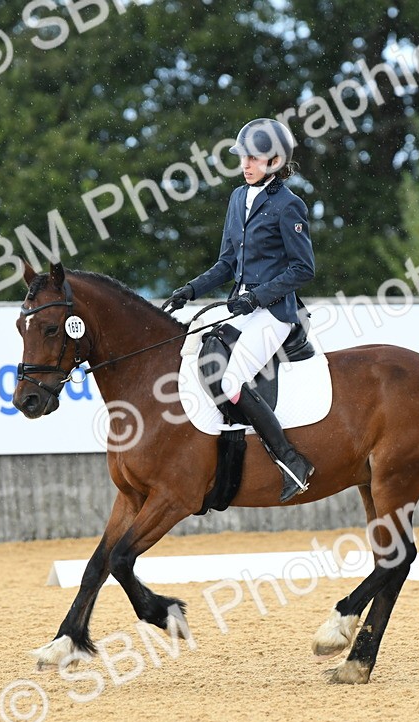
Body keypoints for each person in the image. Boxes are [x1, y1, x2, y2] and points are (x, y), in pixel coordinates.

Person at [166, 118, 316, 502]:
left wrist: (258, 297)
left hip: (275, 313)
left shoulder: (288, 205)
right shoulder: (237, 198)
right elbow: (227, 263)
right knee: (197, 352)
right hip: (241, 306)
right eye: (244, 157)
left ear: (275, 161)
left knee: (230, 382)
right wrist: (190, 290)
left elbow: (303, 269)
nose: (245, 164)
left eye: (254, 157)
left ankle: (292, 461)